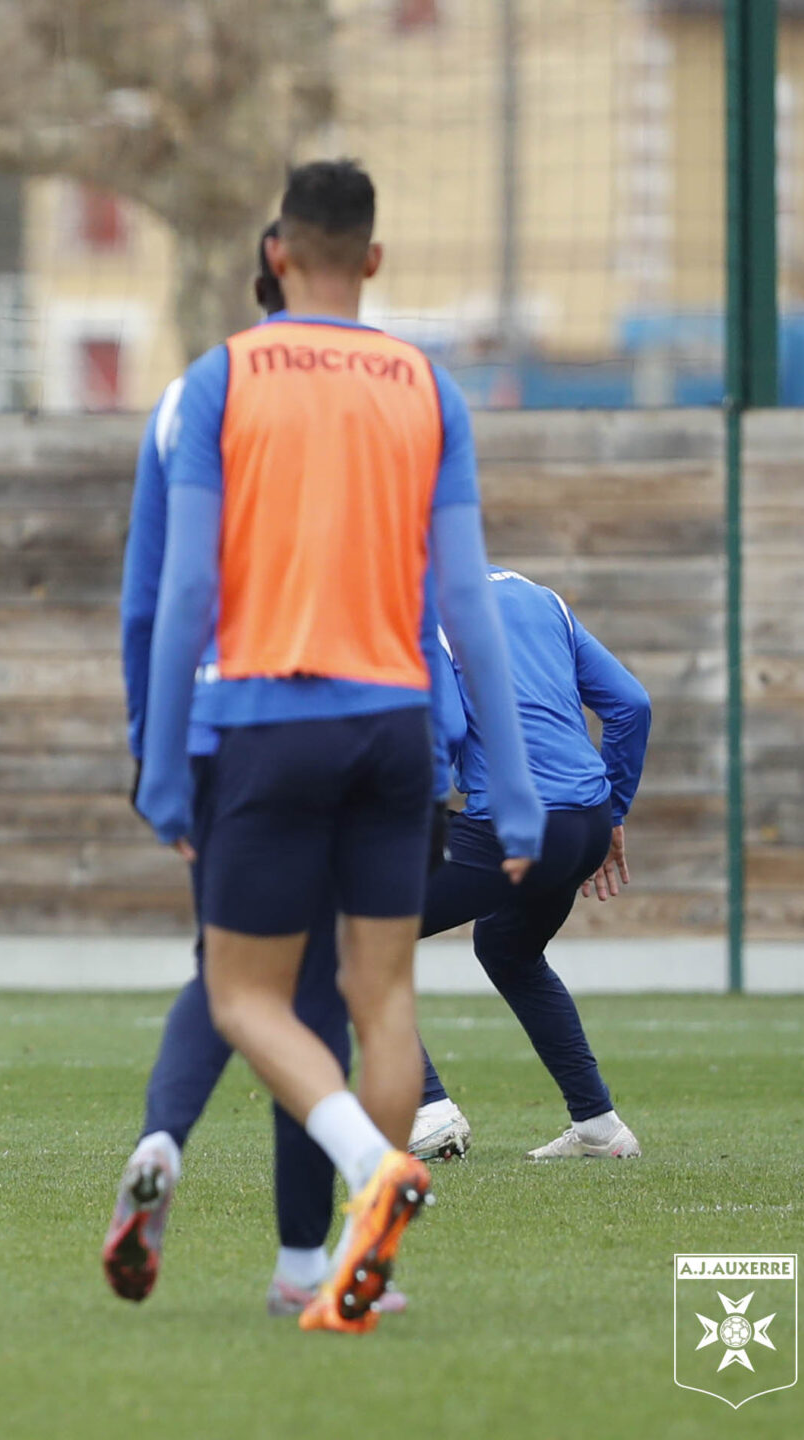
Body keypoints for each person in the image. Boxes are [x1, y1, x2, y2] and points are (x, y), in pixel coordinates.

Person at [137, 159, 545, 1333]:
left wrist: (165, 764)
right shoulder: (429, 387)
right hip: (396, 729)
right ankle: (364, 1259)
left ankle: (372, 1175)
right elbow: (467, 602)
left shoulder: (223, 378)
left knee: (242, 995)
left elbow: (185, 591)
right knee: (381, 995)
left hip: (271, 721)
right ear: (371, 259)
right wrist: (511, 788)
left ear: (277, 254)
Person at [105, 225, 426, 1316]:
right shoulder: (374, 396)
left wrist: (148, 741)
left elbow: (148, 596)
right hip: (326, 709)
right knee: (318, 996)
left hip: (212, 726)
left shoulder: (198, 398)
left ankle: (160, 1141)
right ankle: (308, 1261)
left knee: (229, 972)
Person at [407, 571, 651, 1161]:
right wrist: (613, 813)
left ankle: (430, 1110)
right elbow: (631, 705)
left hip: (513, 826)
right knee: (508, 948)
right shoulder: (540, 597)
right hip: (586, 821)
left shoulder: (422, 607)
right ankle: (599, 1126)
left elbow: (446, 727)